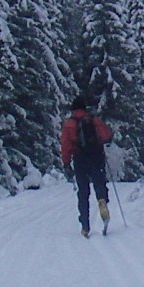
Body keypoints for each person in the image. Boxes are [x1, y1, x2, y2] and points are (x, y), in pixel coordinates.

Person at [60, 94, 113, 237]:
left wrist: (66, 163)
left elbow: (66, 145)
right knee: (99, 184)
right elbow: (107, 135)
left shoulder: (69, 124)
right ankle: (102, 202)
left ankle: (85, 226)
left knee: (83, 192)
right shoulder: (93, 120)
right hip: (96, 157)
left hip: (80, 159)